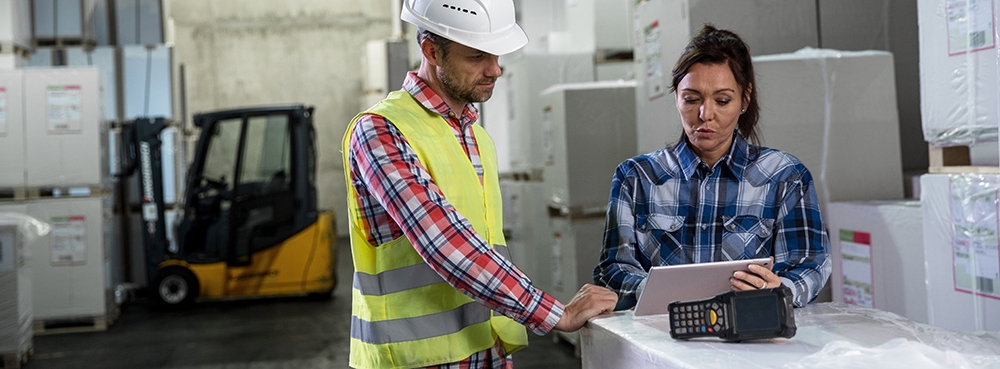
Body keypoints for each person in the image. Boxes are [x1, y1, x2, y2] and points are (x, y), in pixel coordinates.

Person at [341, 0, 618, 368]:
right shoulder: (381, 130)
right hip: (415, 360)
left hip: (485, 351)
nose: (495, 69)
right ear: (431, 51)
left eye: (497, 55)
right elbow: (443, 242)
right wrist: (554, 315)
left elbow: (484, 245)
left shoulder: (477, 137)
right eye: (477, 57)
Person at [593, 24, 831, 311]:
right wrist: (656, 290)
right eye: (691, 99)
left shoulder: (784, 176)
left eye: (722, 100)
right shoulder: (637, 177)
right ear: (677, 98)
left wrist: (780, 289)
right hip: (661, 337)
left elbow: (810, 264)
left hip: (751, 339)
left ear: (744, 99)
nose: (705, 115)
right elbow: (612, 270)